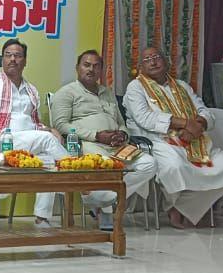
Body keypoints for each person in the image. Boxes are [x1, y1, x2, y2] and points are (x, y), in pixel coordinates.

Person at [122, 46, 223, 229]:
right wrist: (185, 123)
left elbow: (204, 111)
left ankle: (182, 207)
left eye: (156, 57)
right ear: (140, 67)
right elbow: (145, 118)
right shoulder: (136, 87)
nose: (153, 62)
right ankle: (173, 205)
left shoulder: (182, 86)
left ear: (166, 62)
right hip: (158, 140)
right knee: (175, 167)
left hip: (194, 140)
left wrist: (198, 125)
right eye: (147, 60)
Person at [0, 38, 64, 225]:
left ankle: (42, 218)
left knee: (50, 160)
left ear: (25, 61)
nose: (12, 59)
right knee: (48, 140)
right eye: (8, 55)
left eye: (17, 56)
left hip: (27, 143)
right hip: (1, 142)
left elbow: (33, 122)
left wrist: (50, 129)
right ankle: (82, 181)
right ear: (2, 59)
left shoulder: (31, 90)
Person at [51, 49, 158, 228]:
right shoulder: (66, 92)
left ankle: (100, 200)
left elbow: (121, 122)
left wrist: (123, 134)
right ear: (77, 68)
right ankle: (107, 210)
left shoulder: (107, 92)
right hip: (89, 144)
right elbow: (61, 125)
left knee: (149, 164)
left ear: (101, 70)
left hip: (117, 145)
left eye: (96, 66)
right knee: (106, 165)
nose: (91, 69)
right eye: (86, 65)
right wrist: (97, 135)